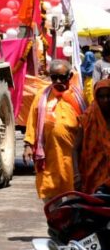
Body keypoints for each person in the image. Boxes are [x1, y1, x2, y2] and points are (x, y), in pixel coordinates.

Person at [24, 60, 87, 201]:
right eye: (53, 77)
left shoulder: (79, 97)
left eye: (62, 77)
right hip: (49, 157)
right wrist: (28, 144)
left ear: (70, 76)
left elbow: (87, 123)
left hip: (71, 159)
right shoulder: (42, 96)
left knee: (73, 197)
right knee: (51, 198)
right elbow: (32, 120)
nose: (57, 80)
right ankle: (53, 221)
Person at [79, 78, 110, 194]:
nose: (106, 100)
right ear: (96, 98)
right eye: (102, 97)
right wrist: (76, 175)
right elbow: (75, 148)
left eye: (109, 96)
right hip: (93, 175)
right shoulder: (88, 118)